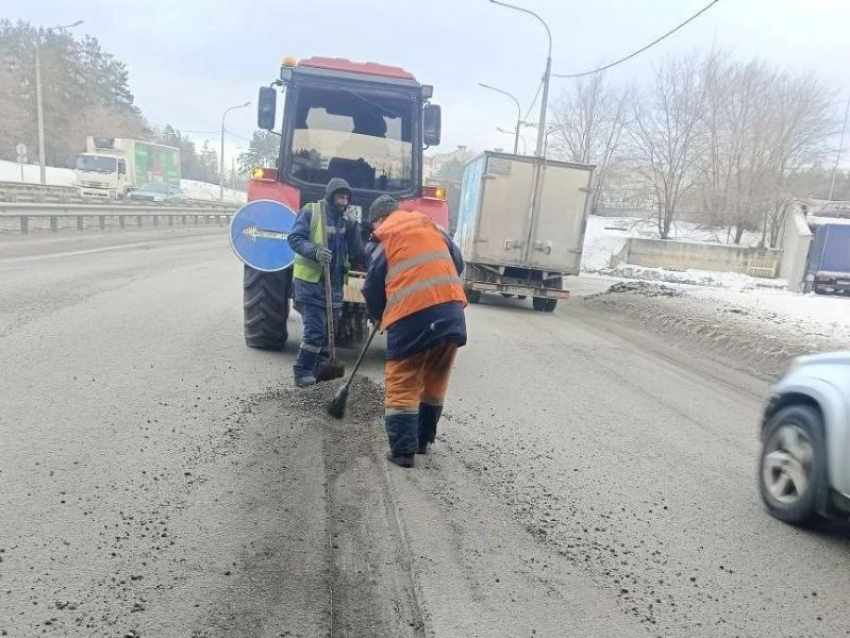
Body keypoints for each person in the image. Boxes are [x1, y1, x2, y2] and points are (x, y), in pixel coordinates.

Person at [361, 195, 467, 468]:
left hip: (411, 316)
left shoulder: (382, 239)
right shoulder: (432, 227)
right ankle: (422, 441)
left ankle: (403, 452)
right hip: (452, 313)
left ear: (379, 219)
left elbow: (372, 288)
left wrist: (379, 315)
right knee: (435, 380)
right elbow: (458, 262)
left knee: (403, 382)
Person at [288, 178, 363, 387]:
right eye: (340, 197)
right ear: (330, 196)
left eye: (346, 198)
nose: (343, 202)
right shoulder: (311, 212)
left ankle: (320, 370)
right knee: (315, 330)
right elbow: (294, 239)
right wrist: (315, 252)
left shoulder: (346, 221)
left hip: (335, 285)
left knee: (330, 331)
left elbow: (356, 251)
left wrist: (354, 228)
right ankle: (303, 371)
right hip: (311, 282)